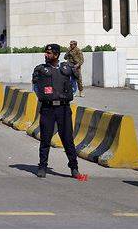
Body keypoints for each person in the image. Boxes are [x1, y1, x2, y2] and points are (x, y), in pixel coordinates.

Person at [32, 44, 85, 180]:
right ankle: (42, 166)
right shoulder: (41, 70)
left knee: (67, 139)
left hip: (63, 108)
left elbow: (73, 86)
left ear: (56, 55)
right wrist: (47, 98)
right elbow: (36, 87)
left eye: (49, 53)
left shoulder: (66, 69)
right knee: (45, 139)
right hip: (47, 108)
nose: (46, 55)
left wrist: (62, 97)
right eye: (46, 52)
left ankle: (74, 168)